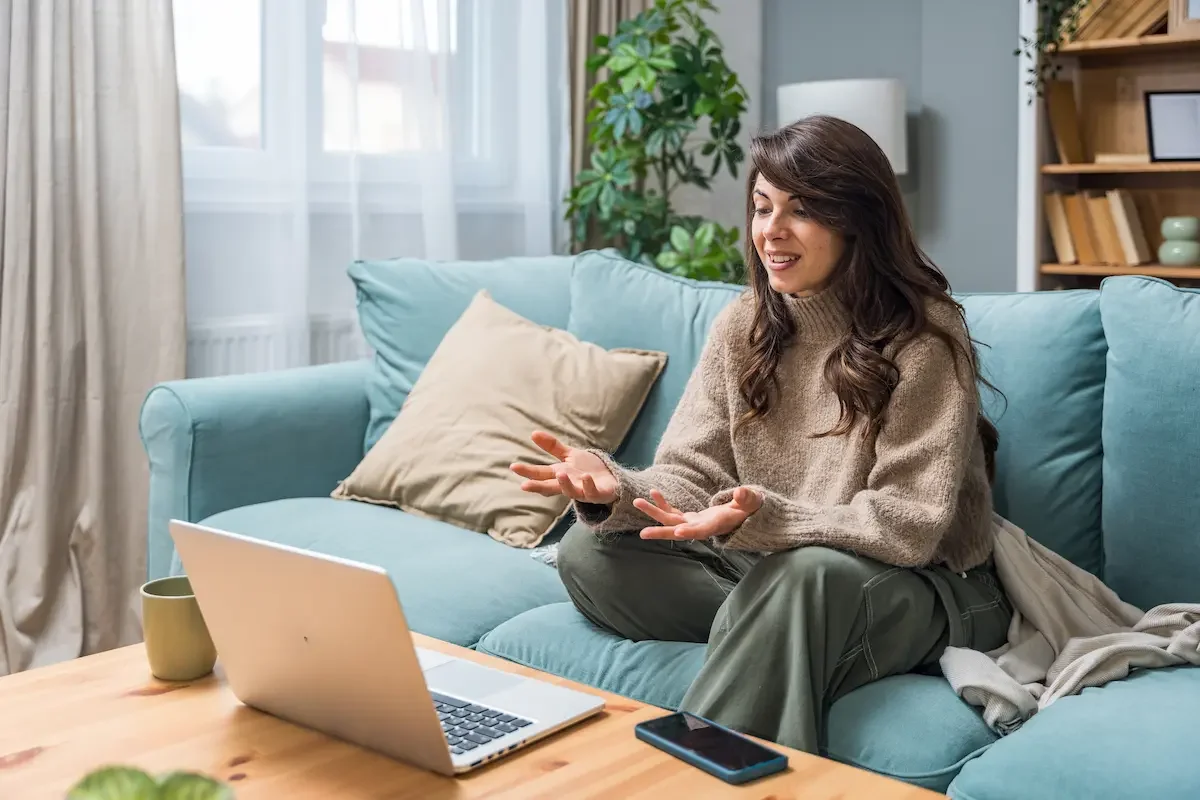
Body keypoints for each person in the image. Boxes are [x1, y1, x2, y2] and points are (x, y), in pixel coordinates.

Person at [509, 115, 1013, 754]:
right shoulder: (743, 325)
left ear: (855, 219)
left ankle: (693, 769)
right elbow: (691, 473)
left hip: (930, 588)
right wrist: (617, 490)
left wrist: (769, 520)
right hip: (775, 567)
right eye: (762, 207)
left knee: (803, 579)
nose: (771, 231)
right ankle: (778, 633)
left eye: (800, 211)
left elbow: (908, 524)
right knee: (592, 551)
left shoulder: (926, 337)